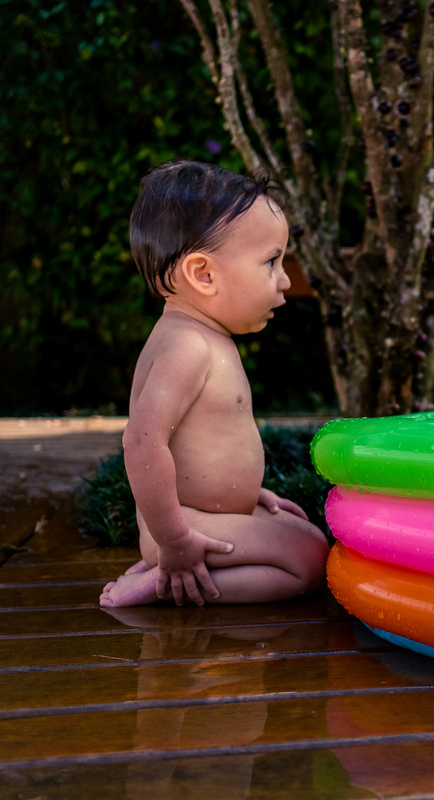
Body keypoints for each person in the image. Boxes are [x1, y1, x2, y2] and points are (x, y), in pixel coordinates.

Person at [99, 160, 329, 608]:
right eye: (271, 261)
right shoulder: (186, 346)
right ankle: (167, 581)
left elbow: (203, 440)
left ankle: (171, 570)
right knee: (310, 560)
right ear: (203, 274)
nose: (284, 279)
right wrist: (175, 540)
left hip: (205, 515)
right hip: (185, 525)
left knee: (306, 533)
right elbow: (142, 443)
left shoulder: (206, 336)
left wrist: (244, 490)